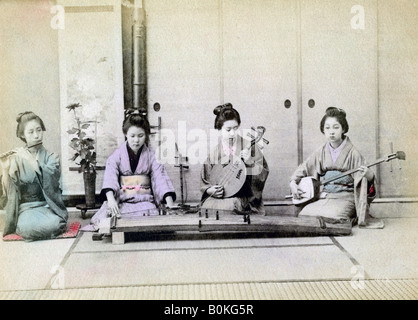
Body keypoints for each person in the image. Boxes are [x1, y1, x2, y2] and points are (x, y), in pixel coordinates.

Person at [289, 107, 384, 228]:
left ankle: (352, 215)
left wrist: (370, 176)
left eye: (336, 127)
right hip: (325, 196)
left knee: (334, 219)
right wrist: (293, 182)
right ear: (323, 130)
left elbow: (365, 182)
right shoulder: (321, 151)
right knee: (305, 215)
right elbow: (304, 168)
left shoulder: (353, 153)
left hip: (346, 198)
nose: (331, 132)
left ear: (343, 129)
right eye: (327, 128)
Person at [82, 110, 176, 231]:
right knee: (112, 218)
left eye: (140, 136)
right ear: (125, 134)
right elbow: (110, 178)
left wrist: (169, 202)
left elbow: (160, 178)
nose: (136, 140)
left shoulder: (152, 156)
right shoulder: (116, 156)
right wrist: (111, 200)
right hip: (122, 201)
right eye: (132, 136)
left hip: (145, 201)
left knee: (153, 218)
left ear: (146, 135)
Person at [0, 112, 68, 241]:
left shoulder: (52, 157)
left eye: (39, 130)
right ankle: (24, 226)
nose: (36, 135)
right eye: (31, 132)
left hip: (48, 206)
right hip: (27, 209)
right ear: (22, 135)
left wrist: (30, 159)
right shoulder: (16, 159)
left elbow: (52, 181)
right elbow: (10, 191)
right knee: (27, 228)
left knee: (55, 224)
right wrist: (4, 168)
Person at [200, 103, 269, 215]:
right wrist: (209, 190)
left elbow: (262, 174)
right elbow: (205, 180)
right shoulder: (215, 153)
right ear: (219, 129)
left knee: (231, 206)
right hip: (221, 196)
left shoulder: (249, 146)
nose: (232, 133)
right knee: (206, 205)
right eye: (228, 129)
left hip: (244, 198)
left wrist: (250, 162)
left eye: (235, 128)